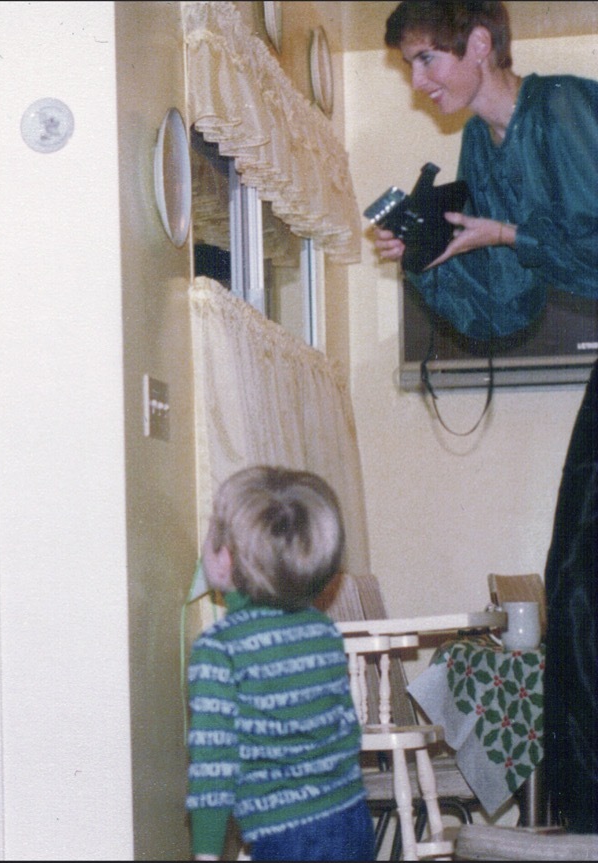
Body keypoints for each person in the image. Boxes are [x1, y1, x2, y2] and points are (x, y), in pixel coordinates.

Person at [376, 1, 598, 832]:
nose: (420, 80)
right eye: (409, 66)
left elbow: (553, 241)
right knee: (576, 583)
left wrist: (508, 231)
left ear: (481, 44)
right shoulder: (479, 145)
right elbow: (509, 310)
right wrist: (431, 259)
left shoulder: (569, 108)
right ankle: (588, 821)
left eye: (429, 59)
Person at [186, 466, 371, 861]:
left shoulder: (219, 649)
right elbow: (348, 730)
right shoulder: (323, 631)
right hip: (352, 819)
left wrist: (204, 854)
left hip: (287, 838)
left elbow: (213, 766)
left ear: (223, 560)